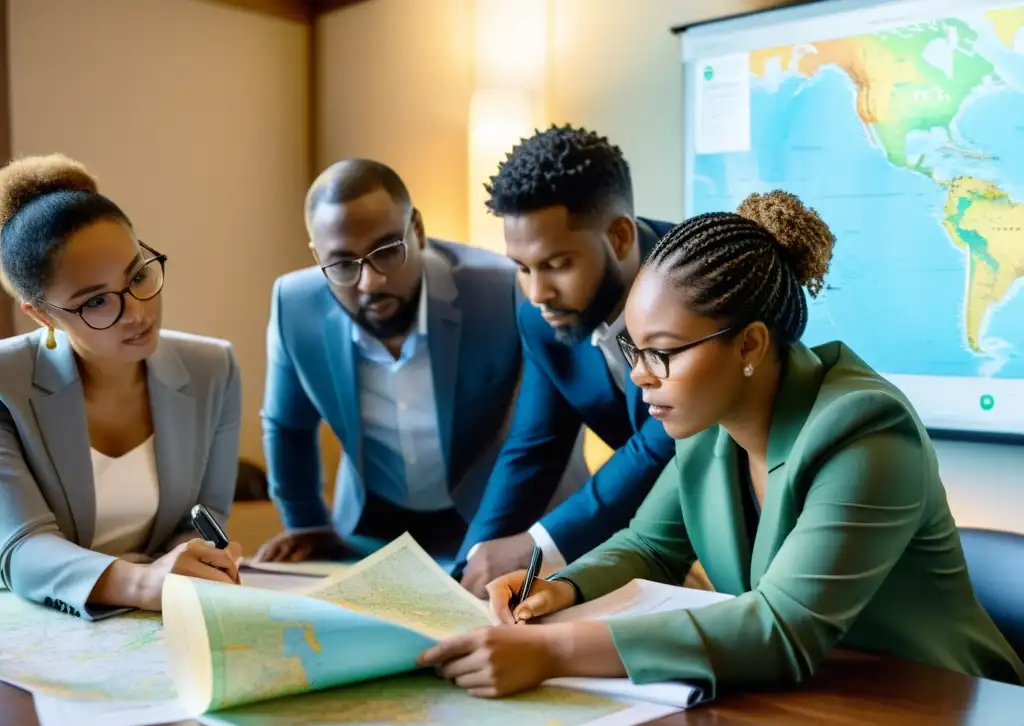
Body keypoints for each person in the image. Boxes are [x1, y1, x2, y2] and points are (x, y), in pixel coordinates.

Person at [417, 190, 1024, 696]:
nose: (640, 375)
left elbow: (784, 629)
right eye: (635, 348)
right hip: (811, 697)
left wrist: (553, 650)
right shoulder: (708, 423)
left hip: (943, 709)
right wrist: (561, 589)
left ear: (751, 346)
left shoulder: (866, 430)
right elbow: (650, 545)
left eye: (663, 352)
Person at [254, 159, 586, 564]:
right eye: (342, 264)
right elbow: (287, 426)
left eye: (387, 252)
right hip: (371, 527)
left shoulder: (501, 289)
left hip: (494, 518)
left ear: (419, 231)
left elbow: (553, 427)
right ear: (317, 256)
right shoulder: (294, 304)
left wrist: (545, 540)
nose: (370, 281)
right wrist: (307, 524)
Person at [0, 154, 243, 620]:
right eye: (95, 300)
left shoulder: (214, 368)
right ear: (41, 314)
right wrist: (148, 582)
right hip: (31, 624)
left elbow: (203, 516)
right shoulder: (6, 384)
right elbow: (22, 546)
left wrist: (197, 560)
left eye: (137, 276)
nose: (137, 312)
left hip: (154, 624)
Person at [455, 125, 677, 597]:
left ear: (619, 237)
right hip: (652, 551)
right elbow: (533, 449)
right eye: (521, 267)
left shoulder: (700, 282)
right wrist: (470, 568)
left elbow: (666, 442)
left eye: (556, 265)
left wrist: (536, 546)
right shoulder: (541, 320)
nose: (537, 294)